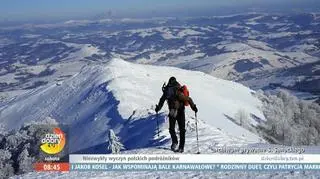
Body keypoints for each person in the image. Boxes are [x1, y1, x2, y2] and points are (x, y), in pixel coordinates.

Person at [155, 76, 198, 153]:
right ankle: (181, 147)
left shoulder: (167, 90)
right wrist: (194, 107)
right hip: (181, 111)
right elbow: (188, 99)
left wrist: (158, 108)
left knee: (171, 129)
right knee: (182, 130)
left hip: (172, 111)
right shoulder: (178, 90)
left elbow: (162, 100)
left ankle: (175, 142)